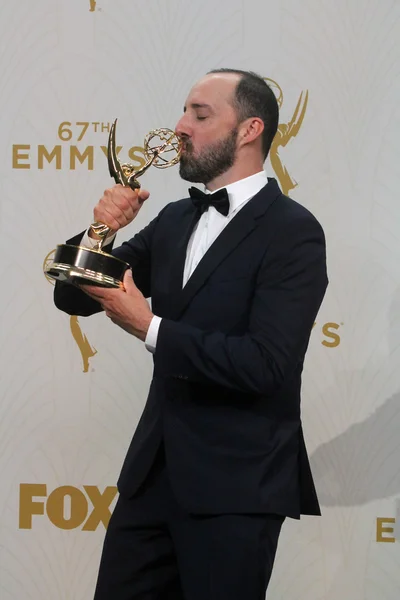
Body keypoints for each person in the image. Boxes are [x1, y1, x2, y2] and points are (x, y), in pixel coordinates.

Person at [53, 68, 328, 600]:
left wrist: (148, 326)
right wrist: (101, 232)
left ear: (249, 130)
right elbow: (71, 296)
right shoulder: (176, 219)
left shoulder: (294, 232)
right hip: (151, 481)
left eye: (199, 115)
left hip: (237, 487)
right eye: (183, 111)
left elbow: (267, 364)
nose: (180, 126)